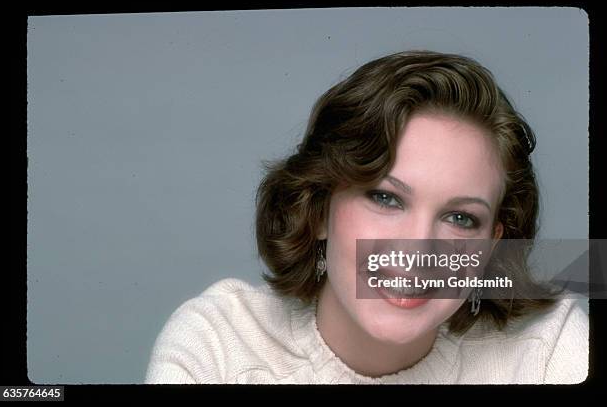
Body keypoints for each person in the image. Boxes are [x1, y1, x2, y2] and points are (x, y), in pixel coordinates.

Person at [145, 50, 588, 384]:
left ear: (492, 246)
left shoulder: (548, 347)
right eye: (386, 198)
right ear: (319, 209)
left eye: (460, 218)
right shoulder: (220, 343)